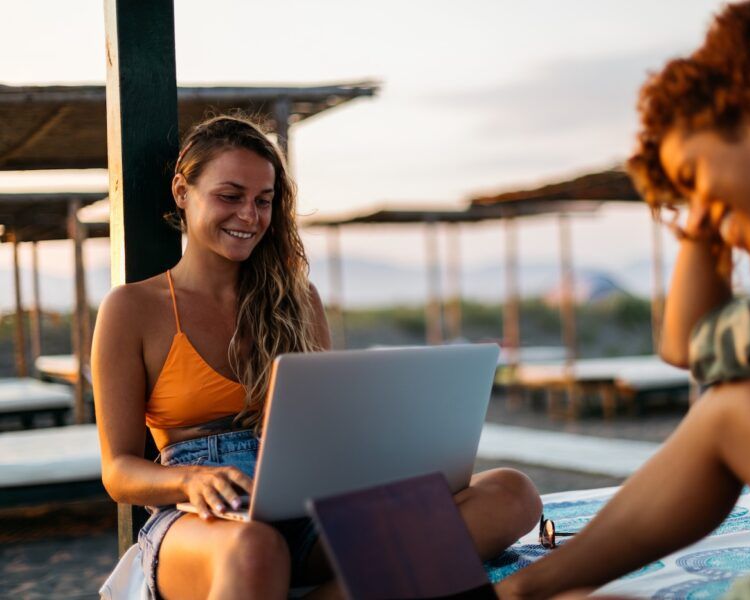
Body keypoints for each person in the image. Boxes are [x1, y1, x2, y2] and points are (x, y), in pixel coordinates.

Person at [496, 1, 750, 598]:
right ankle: (521, 590)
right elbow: (696, 345)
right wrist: (714, 213)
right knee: (735, 407)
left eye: (692, 178)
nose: (699, 216)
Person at [93, 115, 543, 600]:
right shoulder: (132, 308)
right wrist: (190, 479)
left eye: (263, 201)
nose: (249, 215)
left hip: (309, 507)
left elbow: (328, 430)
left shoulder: (297, 300)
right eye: (230, 195)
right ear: (183, 191)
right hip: (197, 518)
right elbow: (118, 471)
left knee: (512, 494)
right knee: (255, 548)